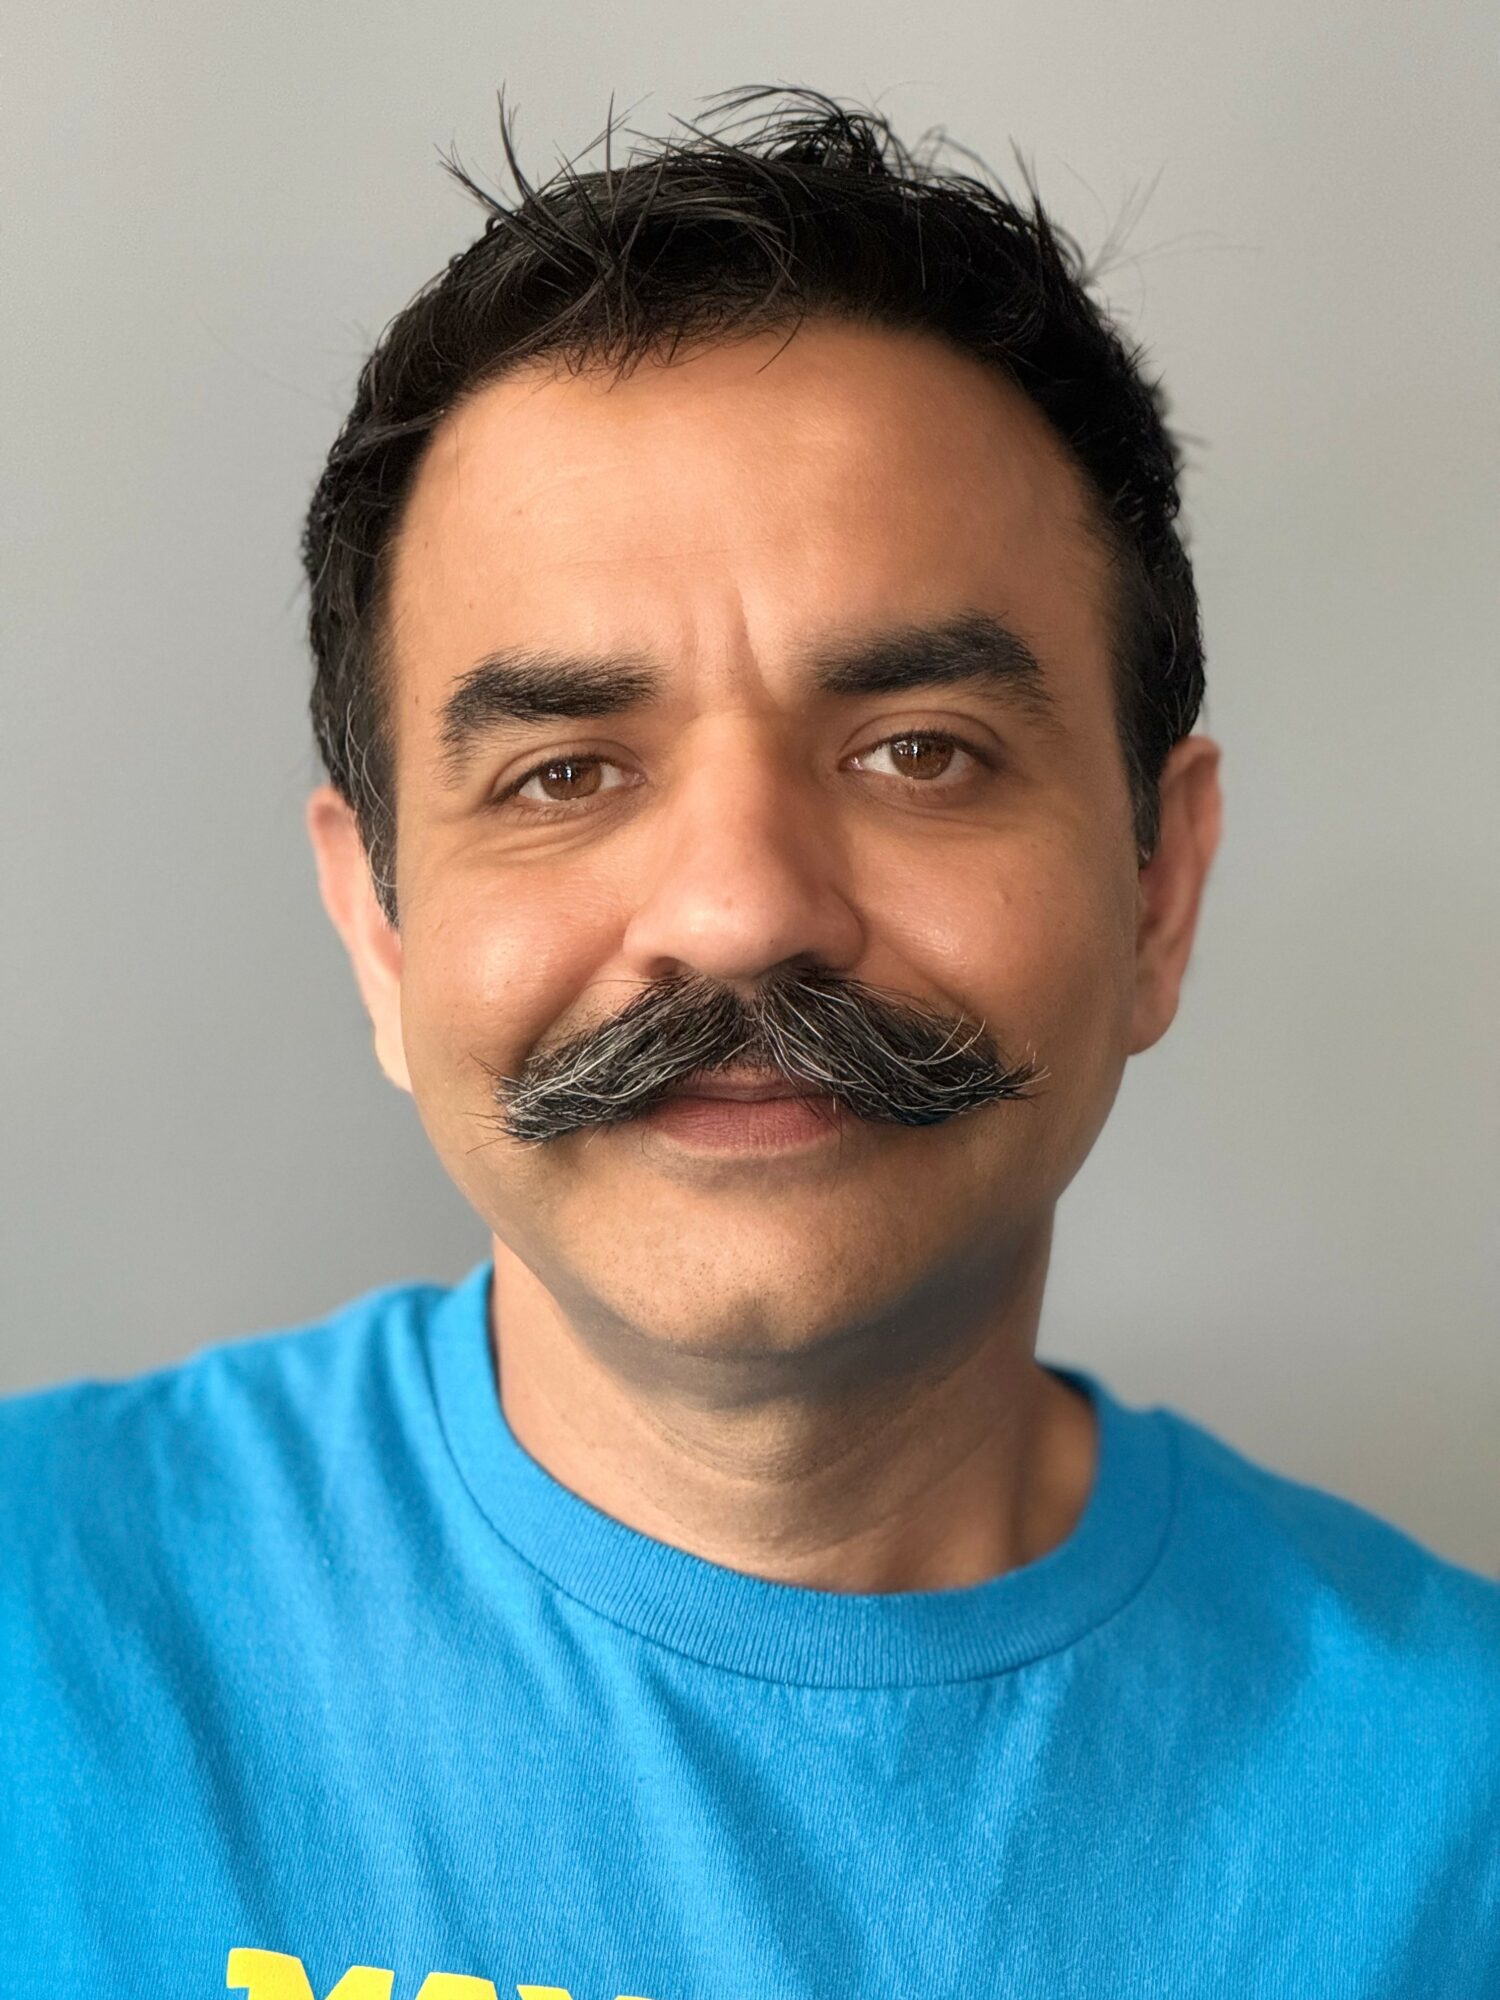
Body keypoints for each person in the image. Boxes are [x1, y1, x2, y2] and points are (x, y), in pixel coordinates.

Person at [3, 85, 1495, 2000]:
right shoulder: (37, 1634)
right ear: (375, 930)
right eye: (563, 774)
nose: (737, 906)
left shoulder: (1460, 1827)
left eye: (919, 752)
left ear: (1158, 885)